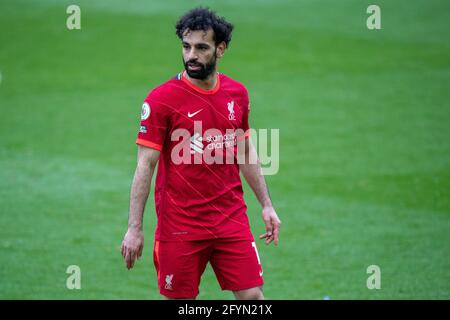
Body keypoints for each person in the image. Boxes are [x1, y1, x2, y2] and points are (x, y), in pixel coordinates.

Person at [121, 7, 281, 300]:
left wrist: (267, 205)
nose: (191, 55)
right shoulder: (161, 99)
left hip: (230, 218)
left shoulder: (237, 94)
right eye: (186, 46)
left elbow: (245, 151)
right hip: (180, 226)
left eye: (201, 47)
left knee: (253, 298)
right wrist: (134, 228)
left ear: (220, 49)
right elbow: (145, 165)